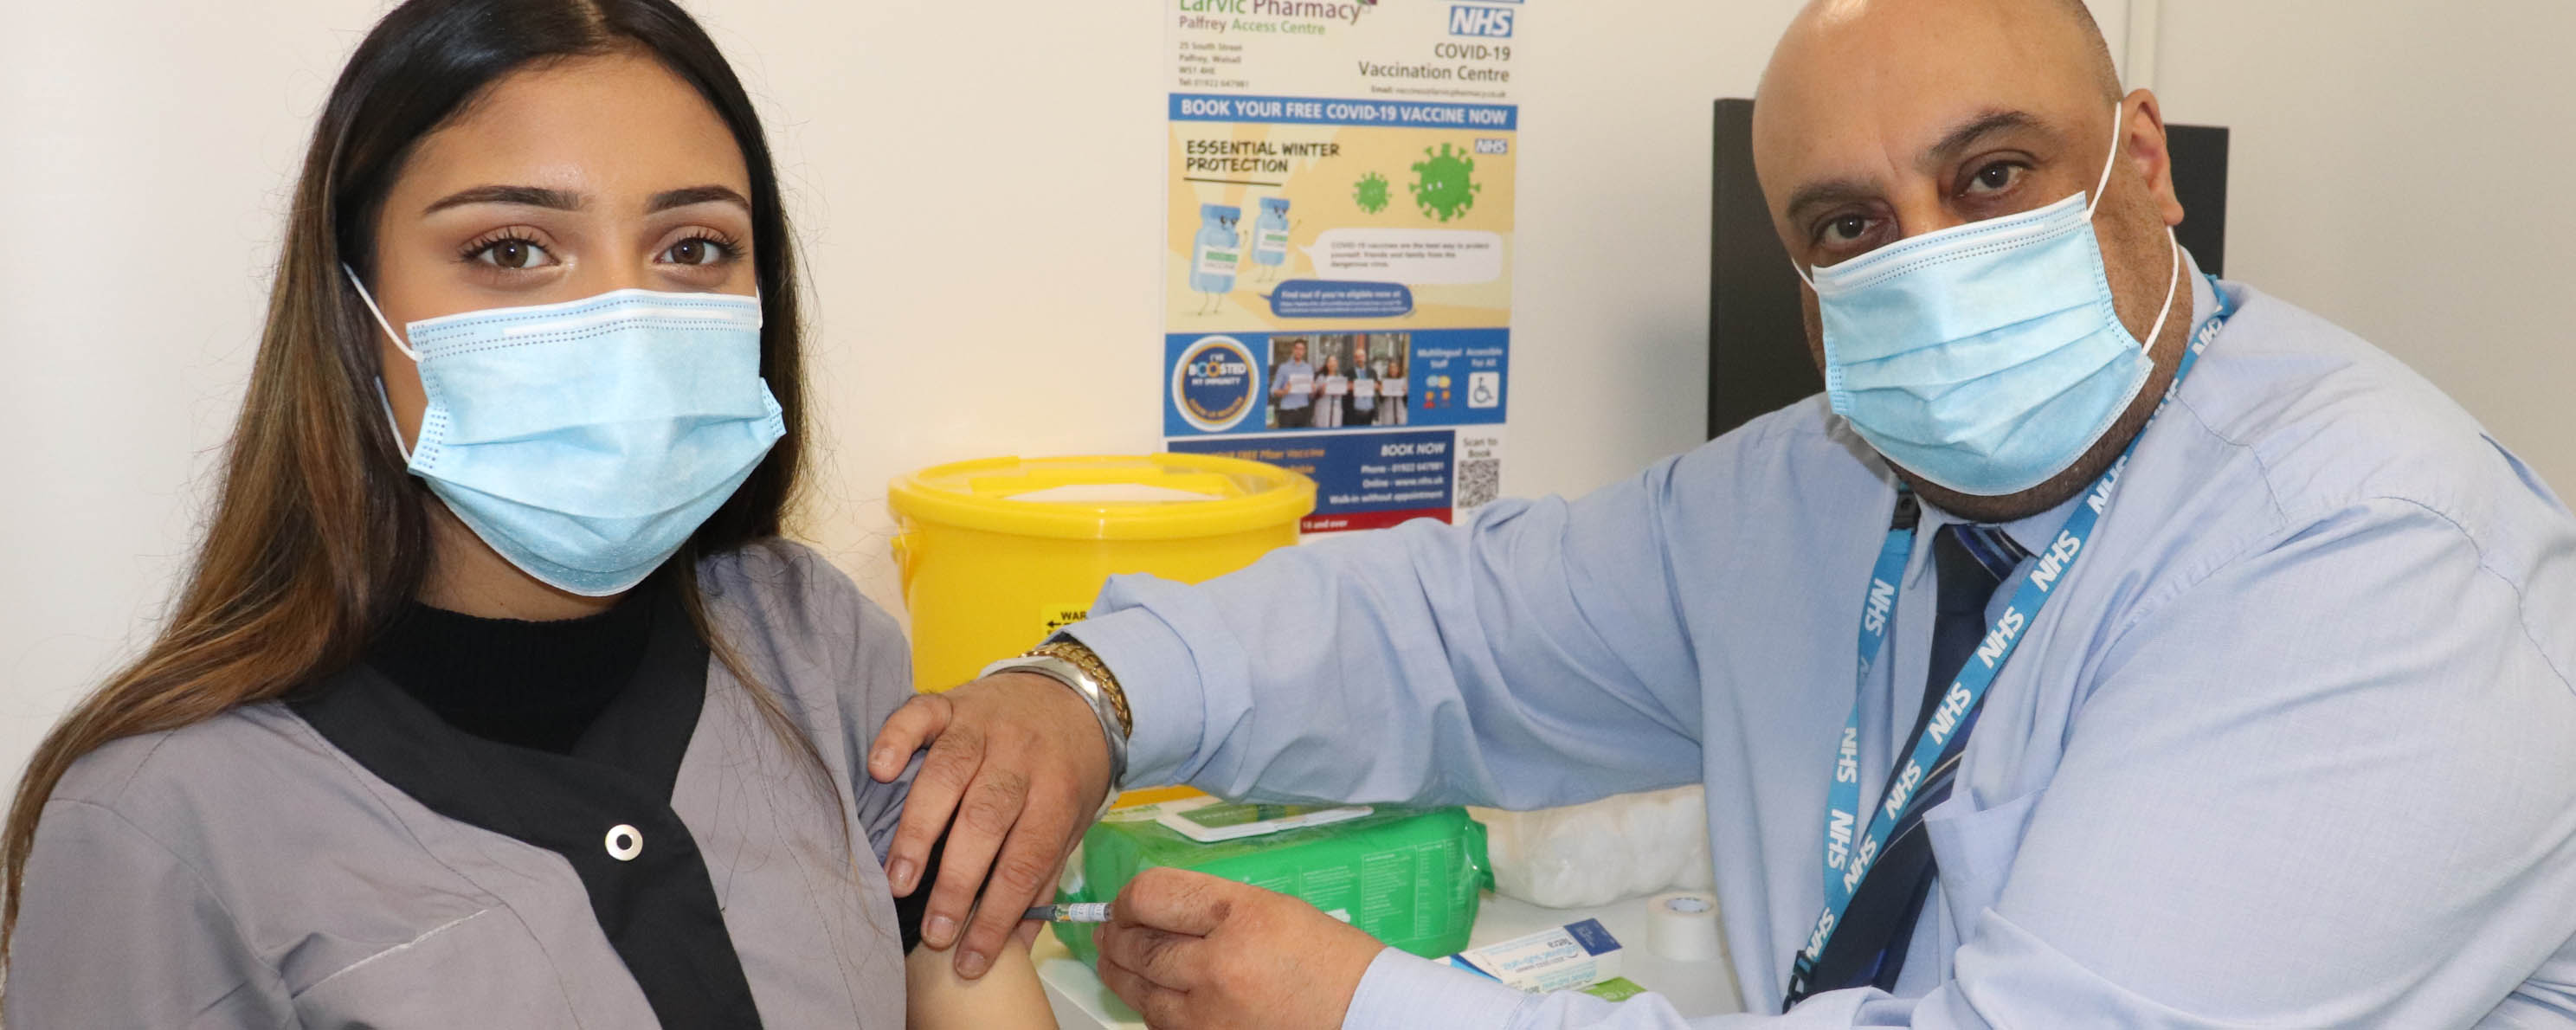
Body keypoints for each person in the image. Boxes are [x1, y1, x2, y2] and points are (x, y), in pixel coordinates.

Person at [867, 0, 2576, 1027]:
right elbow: (1459, 622)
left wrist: (1364, 1003)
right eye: (1846, 226)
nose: (1919, 257)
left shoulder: (2369, 559)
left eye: (1990, 177)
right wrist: (1093, 687)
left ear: (2142, 162)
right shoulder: (1829, 488)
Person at [0, 2, 1053, 1027]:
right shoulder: (157, 821)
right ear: (352, 307)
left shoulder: (809, 640)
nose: (626, 324)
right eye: (512, 249)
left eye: (692, 247)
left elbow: (966, 979)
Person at [1272, 338, 1317, 428]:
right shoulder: (1283, 368)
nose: (1299, 351)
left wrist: (1313, 391)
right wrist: (1284, 391)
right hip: (1287, 412)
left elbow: (1310, 396)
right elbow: (1273, 391)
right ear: (1293, 349)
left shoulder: (1309, 368)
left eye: (1302, 349)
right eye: (1297, 348)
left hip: (1304, 411)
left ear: (1304, 351)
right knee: (1286, 441)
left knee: (1303, 441)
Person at [1314, 351, 1348, 428]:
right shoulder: (1321, 377)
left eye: (1334, 361)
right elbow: (1314, 396)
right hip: (1323, 411)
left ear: (1337, 364)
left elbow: (1343, 394)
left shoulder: (1340, 377)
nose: (1332, 364)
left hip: (1336, 411)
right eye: (1330, 361)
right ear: (1326, 364)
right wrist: (1322, 390)